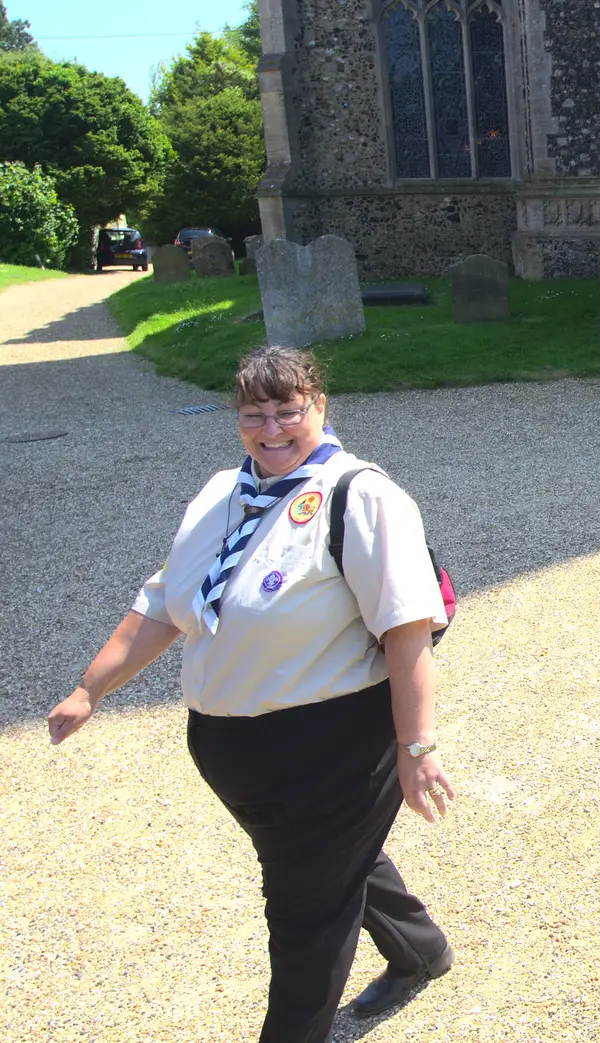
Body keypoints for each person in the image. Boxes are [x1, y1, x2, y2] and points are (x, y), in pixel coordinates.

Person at [47, 346, 456, 1042]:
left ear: (319, 406)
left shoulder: (361, 496)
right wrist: (91, 688)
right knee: (326, 864)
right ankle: (422, 949)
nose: (271, 428)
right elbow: (164, 604)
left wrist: (416, 748)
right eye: (253, 414)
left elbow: (407, 630)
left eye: (287, 410)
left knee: (304, 916)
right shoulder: (222, 492)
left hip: (333, 751)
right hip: (235, 752)